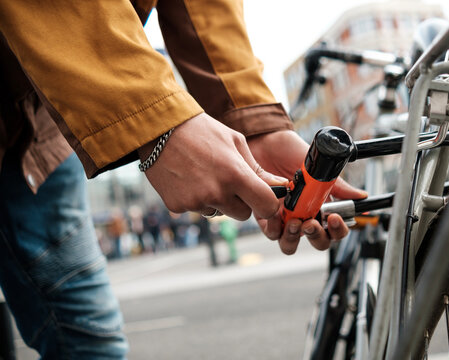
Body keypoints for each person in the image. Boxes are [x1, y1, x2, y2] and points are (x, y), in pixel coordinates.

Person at [0, 0, 367, 358]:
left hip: (38, 133)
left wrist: (253, 122)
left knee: (90, 339)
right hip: (42, 101)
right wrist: (155, 119)